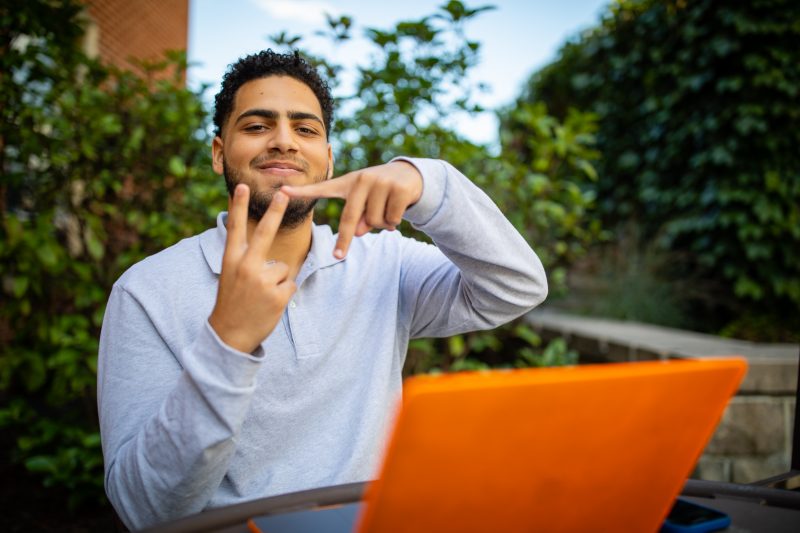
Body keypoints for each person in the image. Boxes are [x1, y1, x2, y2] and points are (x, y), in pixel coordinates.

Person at [97, 49, 547, 530]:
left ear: (328, 160)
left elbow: (516, 286)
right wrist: (227, 341)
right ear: (218, 153)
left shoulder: (384, 263)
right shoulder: (145, 292)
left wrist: (426, 181)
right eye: (256, 126)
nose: (284, 142)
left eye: (306, 129)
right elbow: (144, 509)